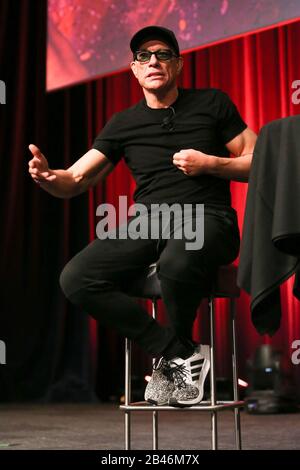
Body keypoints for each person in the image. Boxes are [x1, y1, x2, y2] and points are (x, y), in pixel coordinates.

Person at [28, 26, 257, 407]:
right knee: (77, 278)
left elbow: (258, 160)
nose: (153, 61)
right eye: (144, 56)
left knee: (177, 259)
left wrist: (212, 164)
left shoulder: (212, 104)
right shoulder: (122, 124)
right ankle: (178, 352)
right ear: (134, 70)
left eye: (163, 54)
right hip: (149, 222)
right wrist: (49, 178)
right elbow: (76, 178)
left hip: (209, 217)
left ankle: (177, 357)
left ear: (178, 65)